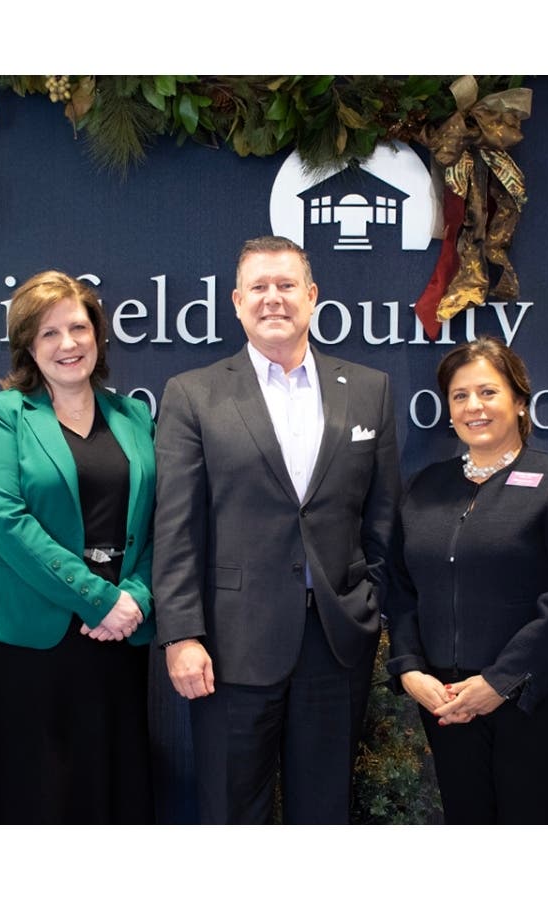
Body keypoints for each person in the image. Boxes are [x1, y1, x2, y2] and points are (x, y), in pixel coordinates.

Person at [153, 235, 400, 824]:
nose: (273, 299)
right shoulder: (193, 394)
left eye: (286, 285)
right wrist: (182, 635)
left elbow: (383, 514)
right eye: (259, 288)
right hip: (229, 646)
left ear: (312, 296)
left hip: (336, 642)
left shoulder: (369, 389)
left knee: (325, 813)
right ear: (237, 302)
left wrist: (371, 605)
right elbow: (177, 526)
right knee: (233, 814)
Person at [0, 270, 156, 823]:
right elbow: (6, 521)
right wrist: (98, 599)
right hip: (28, 643)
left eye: (78, 328)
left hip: (117, 638)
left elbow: (162, 521)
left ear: (98, 336)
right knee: (30, 796)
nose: (67, 344)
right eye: (48, 334)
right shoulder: (3, 415)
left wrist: (135, 596)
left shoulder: (134, 416)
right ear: (27, 347)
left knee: (106, 793)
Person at [386, 336, 548, 824]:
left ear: (520, 402)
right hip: (448, 703)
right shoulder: (425, 487)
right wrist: (410, 669)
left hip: (539, 704)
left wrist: (500, 682)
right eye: (460, 396)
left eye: (488, 392)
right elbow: (400, 590)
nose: (473, 407)